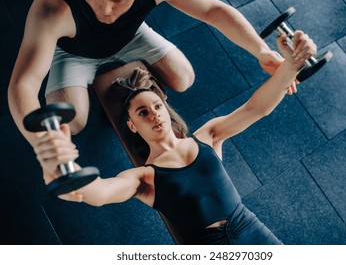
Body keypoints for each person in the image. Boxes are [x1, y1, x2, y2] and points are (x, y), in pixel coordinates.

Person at [34, 31, 316, 244]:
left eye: (157, 106)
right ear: (132, 126)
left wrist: (291, 65)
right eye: (143, 113)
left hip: (253, 232)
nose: (155, 114)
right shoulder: (143, 178)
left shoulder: (208, 136)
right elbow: (101, 193)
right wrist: (66, 174)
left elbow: (256, 108)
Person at [8, 0, 293, 150]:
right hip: (71, 51)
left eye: (119, 0)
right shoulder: (52, 5)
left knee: (184, 78)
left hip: (130, 36)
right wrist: (43, 145)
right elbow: (24, 84)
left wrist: (261, 50)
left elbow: (212, 10)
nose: (107, 9)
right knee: (73, 123)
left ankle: (137, 97)